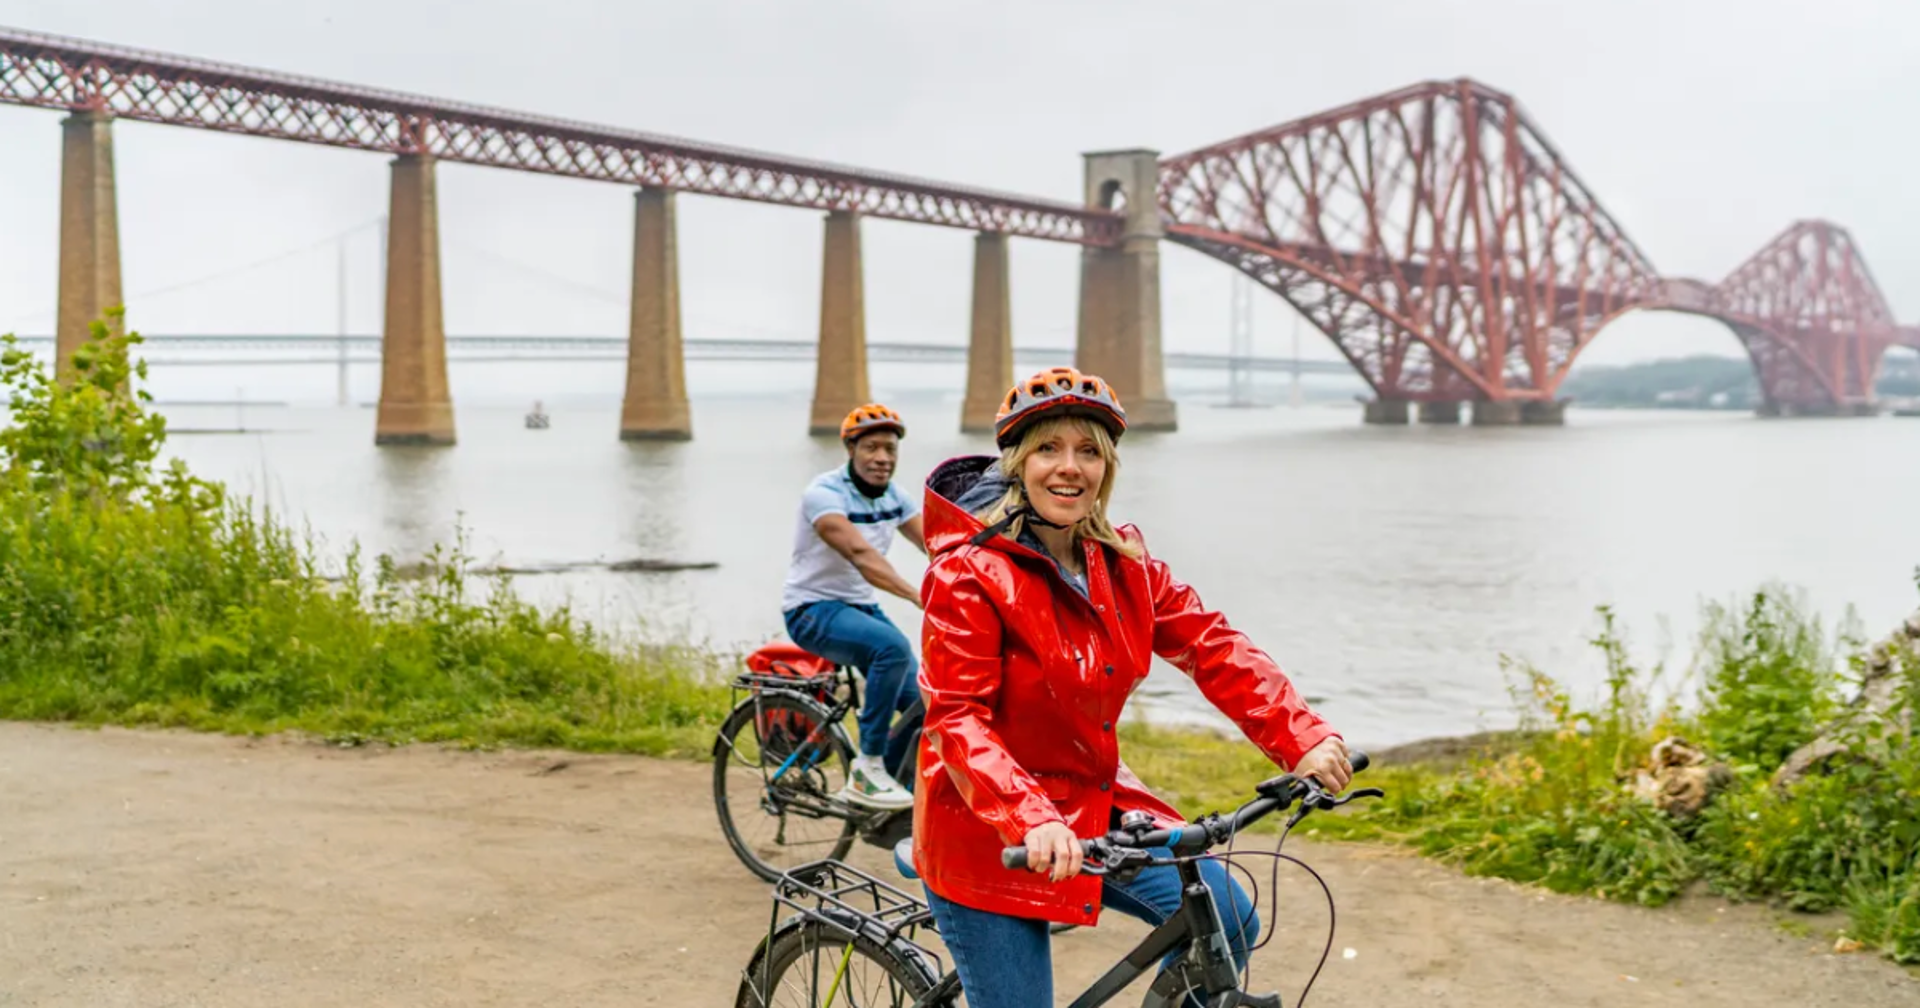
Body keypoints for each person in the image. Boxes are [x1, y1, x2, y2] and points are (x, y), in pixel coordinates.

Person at [910, 367, 1352, 1007]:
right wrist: (1032, 819)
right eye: (1048, 449)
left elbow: (1212, 645)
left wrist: (1302, 738)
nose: (1070, 468)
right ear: (1017, 466)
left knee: (1227, 922)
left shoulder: (1125, 567)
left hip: (1095, 807)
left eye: (1089, 451)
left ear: (1108, 467)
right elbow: (958, 720)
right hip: (985, 834)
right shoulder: (967, 576)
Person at [780, 403, 927, 810]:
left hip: (859, 609)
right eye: (872, 448)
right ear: (851, 450)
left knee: (928, 703)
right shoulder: (823, 495)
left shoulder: (894, 497)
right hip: (811, 610)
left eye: (890, 450)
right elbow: (862, 555)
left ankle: (889, 795)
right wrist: (917, 594)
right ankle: (868, 769)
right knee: (891, 648)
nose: (882, 458)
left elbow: (936, 544)